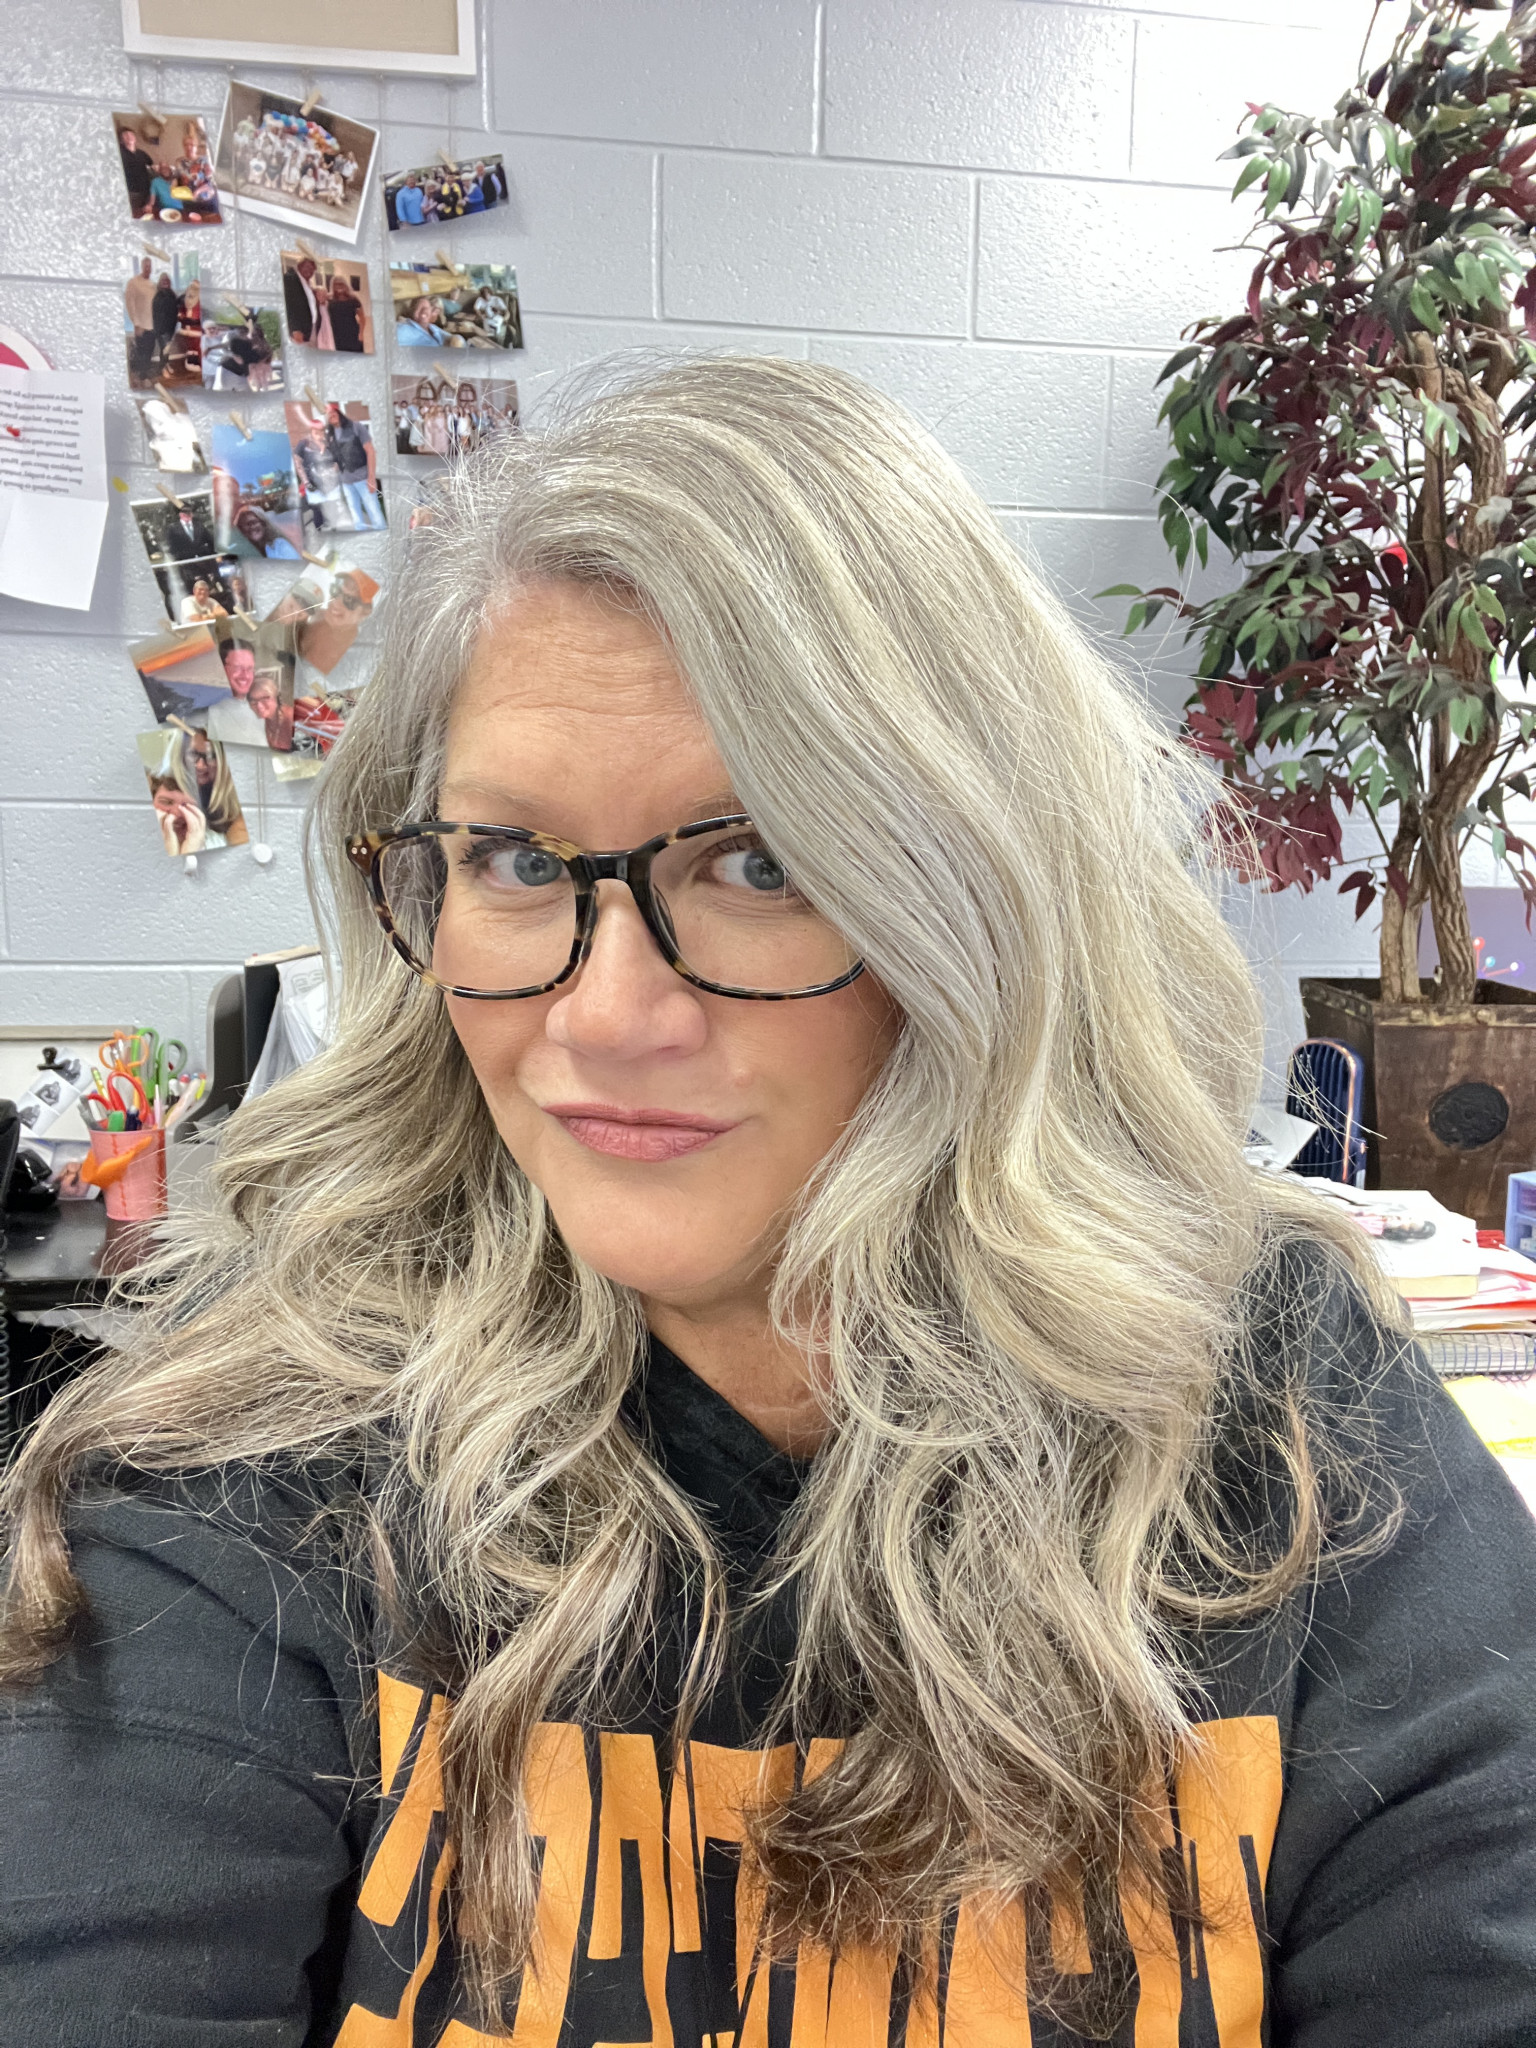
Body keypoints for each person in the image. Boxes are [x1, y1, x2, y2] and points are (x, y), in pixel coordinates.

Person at [4, 358, 1535, 2045]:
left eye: (761, 862)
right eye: (516, 860)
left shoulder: (1277, 1392)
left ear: (979, 898)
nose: (603, 1017)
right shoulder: (266, 1451)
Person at [324, 402, 384, 529]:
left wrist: (371, 478)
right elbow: (337, 458)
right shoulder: (330, 435)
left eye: (333, 412)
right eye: (328, 414)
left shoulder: (356, 427)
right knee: (356, 517)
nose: (331, 415)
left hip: (363, 478)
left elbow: (370, 451)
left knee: (375, 514)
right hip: (346, 483)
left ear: (339, 412)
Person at [293, 416, 344, 531]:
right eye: (316, 430)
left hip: (331, 484)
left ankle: (334, 532)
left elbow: (338, 459)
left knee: (332, 510)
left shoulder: (329, 442)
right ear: (311, 430)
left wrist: (335, 469)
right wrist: (306, 482)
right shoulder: (304, 444)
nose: (319, 433)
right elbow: (298, 464)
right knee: (318, 511)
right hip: (313, 485)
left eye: (321, 430)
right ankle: (320, 532)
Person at [123, 257, 156, 382]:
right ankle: (142, 378)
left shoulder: (153, 285)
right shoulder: (133, 283)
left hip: (152, 325)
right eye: (146, 266)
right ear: (142, 267)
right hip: (141, 326)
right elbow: (130, 304)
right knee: (142, 352)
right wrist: (136, 324)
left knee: (150, 351)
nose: (148, 268)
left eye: (149, 266)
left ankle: (145, 374)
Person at [118, 125, 157, 216]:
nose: (129, 136)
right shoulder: (119, 154)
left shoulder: (142, 153)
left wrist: (156, 167)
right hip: (131, 193)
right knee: (134, 214)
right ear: (121, 140)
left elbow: (151, 164)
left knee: (146, 214)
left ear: (135, 138)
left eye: (131, 134)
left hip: (146, 191)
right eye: (126, 135)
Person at [325, 274, 367, 354]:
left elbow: (362, 318)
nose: (338, 286)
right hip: (336, 334)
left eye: (341, 284)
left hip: (352, 333)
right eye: (336, 284)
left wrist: (361, 333)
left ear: (345, 285)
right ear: (332, 286)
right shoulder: (329, 299)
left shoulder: (353, 299)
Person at [283, 256, 320, 346]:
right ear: (299, 266)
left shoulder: (306, 283)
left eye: (312, 269)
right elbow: (289, 304)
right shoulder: (290, 278)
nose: (310, 271)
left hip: (311, 327)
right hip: (299, 331)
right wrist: (295, 329)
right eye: (307, 267)